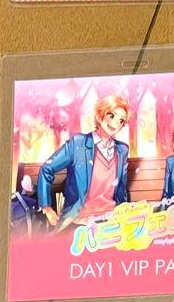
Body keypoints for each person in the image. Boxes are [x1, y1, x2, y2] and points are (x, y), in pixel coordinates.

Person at [37, 95, 129, 227]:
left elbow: (121, 190)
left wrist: (124, 214)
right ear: (99, 116)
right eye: (111, 116)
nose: (116, 123)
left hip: (111, 221)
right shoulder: (78, 143)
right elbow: (47, 169)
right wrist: (46, 207)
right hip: (80, 221)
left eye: (121, 120)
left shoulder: (122, 150)